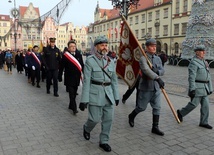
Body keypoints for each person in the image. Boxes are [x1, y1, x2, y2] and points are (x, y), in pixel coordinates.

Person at [79, 36, 120, 152]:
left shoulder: (110, 62)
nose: (105, 47)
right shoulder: (90, 61)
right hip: (95, 94)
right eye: (102, 45)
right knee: (94, 119)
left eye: (106, 45)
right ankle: (87, 128)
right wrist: (84, 100)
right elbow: (86, 81)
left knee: (108, 120)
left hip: (109, 95)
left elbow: (114, 81)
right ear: (96, 47)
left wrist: (116, 96)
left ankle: (104, 141)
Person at [128, 38, 165, 136]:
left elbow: (162, 70)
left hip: (156, 88)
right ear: (147, 47)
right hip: (146, 87)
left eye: (155, 46)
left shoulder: (157, 58)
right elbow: (146, 70)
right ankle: (131, 116)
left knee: (157, 107)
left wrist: (158, 72)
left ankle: (155, 127)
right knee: (141, 107)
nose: (154, 48)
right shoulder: (143, 58)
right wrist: (157, 77)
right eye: (152, 46)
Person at [177, 45, 213, 129]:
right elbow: (191, 77)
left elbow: (208, 76)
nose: (204, 52)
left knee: (206, 106)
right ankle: (181, 113)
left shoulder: (205, 62)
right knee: (193, 104)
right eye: (202, 51)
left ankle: (204, 122)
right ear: (197, 52)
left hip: (205, 88)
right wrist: (192, 89)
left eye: (204, 51)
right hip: (198, 87)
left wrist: (210, 88)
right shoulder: (194, 62)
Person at [58, 40, 84, 115]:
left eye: (74, 46)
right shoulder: (66, 56)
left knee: (74, 92)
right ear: (68, 48)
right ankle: (74, 108)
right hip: (69, 77)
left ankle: (70, 105)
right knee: (71, 94)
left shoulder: (79, 55)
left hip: (76, 78)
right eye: (71, 47)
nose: (73, 48)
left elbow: (82, 65)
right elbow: (61, 66)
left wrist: (85, 74)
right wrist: (59, 76)